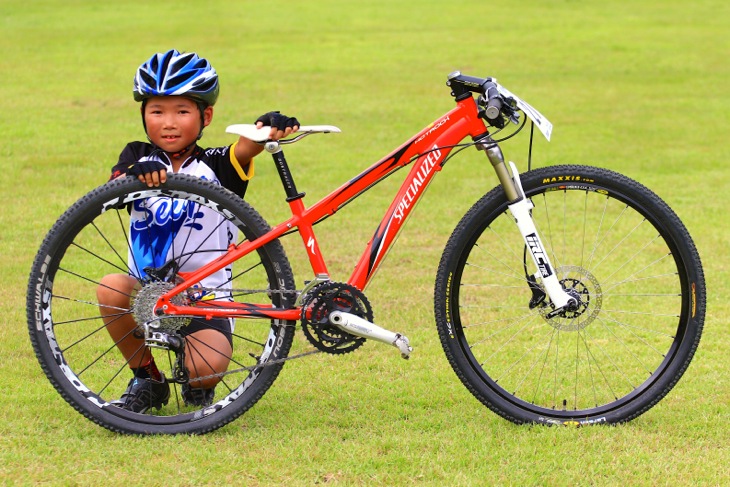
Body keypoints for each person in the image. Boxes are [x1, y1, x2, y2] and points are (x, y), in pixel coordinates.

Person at [97, 49, 299, 413]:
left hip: (205, 301)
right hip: (147, 296)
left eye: (182, 111)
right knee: (110, 288)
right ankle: (147, 378)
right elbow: (116, 183)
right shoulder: (135, 155)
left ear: (206, 115)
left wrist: (267, 127)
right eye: (157, 111)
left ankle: (193, 377)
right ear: (143, 114)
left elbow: (246, 147)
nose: (168, 123)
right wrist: (136, 173)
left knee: (205, 372)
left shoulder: (218, 165)